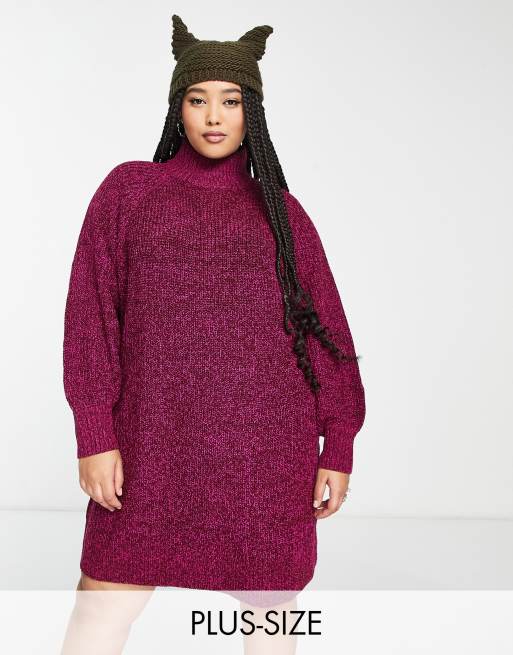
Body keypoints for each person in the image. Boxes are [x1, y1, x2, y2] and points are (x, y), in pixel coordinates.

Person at [61, 13, 366, 648]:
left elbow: (326, 334)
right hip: (150, 447)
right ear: (178, 107)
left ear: (253, 112)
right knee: (100, 613)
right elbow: (91, 316)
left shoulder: (282, 214)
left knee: (269, 620)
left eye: (231, 100)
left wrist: (337, 442)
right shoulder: (129, 194)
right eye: (197, 99)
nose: (214, 116)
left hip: (264, 461)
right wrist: (94, 432)